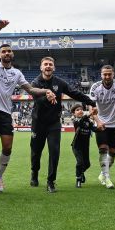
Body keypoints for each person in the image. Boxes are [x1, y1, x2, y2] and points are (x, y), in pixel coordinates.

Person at [0, 20, 56, 194]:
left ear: (12, 54)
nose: (7, 53)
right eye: (4, 51)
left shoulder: (17, 73)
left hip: (5, 113)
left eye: (9, 51)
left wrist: (45, 90)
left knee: (7, 147)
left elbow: (30, 89)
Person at [29, 56, 97, 193]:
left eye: (50, 64)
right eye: (45, 64)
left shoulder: (59, 83)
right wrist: (47, 96)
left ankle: (51, 181)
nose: (48, 66)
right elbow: (37, 99)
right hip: (38, 123)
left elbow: (74, 93)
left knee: (54, 152)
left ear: (54, 68)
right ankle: (34, 173)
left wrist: (90, 101)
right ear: (41, 67)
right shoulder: (35, 82)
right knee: (36, 152)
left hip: (54, 123)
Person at [88, 65, 115, 189]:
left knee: (113, 153)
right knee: (103, 150)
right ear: (101, 75)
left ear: (113, 74)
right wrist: (98, 121)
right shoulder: (95, 87)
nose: (107, 76)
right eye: (104, 74)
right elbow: (91, 106)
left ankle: (102, 173)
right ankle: (107, 178)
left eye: (109, 74)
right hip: (101, 123)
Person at [69, 104, 94, 188]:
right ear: (74, 113)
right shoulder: (76, 121)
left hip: (85, 147)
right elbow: (80, 122)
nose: (80, 111)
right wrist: (89, 115)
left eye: (81, 109)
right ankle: (78, 180)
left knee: (87, 164)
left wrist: (102, 128)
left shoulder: (88, 121)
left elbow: (94, 129)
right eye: (77, 110)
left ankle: (80, 172)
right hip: (76, 146)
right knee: (80, 163)